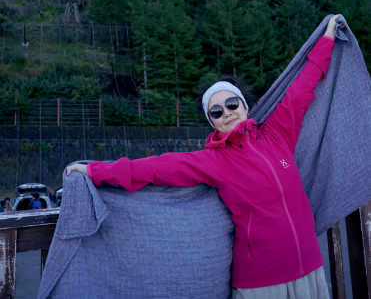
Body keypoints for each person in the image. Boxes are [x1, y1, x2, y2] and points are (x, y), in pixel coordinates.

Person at [67, 15, 341, 299]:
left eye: (231, 103)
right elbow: (155, 168)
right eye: (217, 111)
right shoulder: (215, 160)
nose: (227, 112)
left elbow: (302, 88)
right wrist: (96, 171)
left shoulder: (277, 133)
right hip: (262, 281)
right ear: (213, 122)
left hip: (309, 267)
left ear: (244, 106)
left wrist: (327, 39)